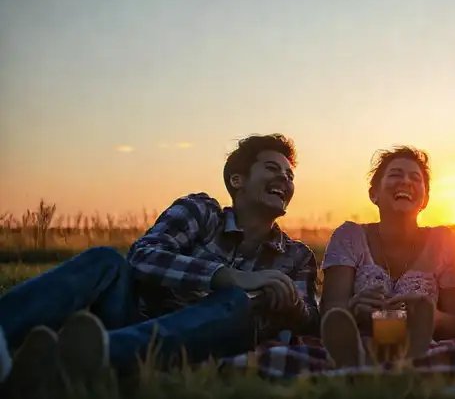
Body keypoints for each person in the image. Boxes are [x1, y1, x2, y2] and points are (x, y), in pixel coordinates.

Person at [0, 134, 320, 396]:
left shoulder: (296, 256)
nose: (285, 178)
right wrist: (228, 276)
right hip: (135, 320)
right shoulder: (201, 212)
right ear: (238, 180)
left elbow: (309, 319)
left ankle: (82, 358)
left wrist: (291, 302)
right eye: (272, 168)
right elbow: (143, 255)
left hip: (201, 348)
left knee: (238, 305)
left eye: (290, 175)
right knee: (105, 260)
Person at [319, 146, 455, 367]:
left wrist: (431, 317)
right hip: (360, 341)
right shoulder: (349, 237)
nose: (406, 182)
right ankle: (364, 359)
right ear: (374, 194)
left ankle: (405, 357)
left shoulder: (446, 242)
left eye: (415, 178)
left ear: (425, 199)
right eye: (395, 175)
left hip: (424, 345)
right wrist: (353, 308)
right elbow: (330, 314)